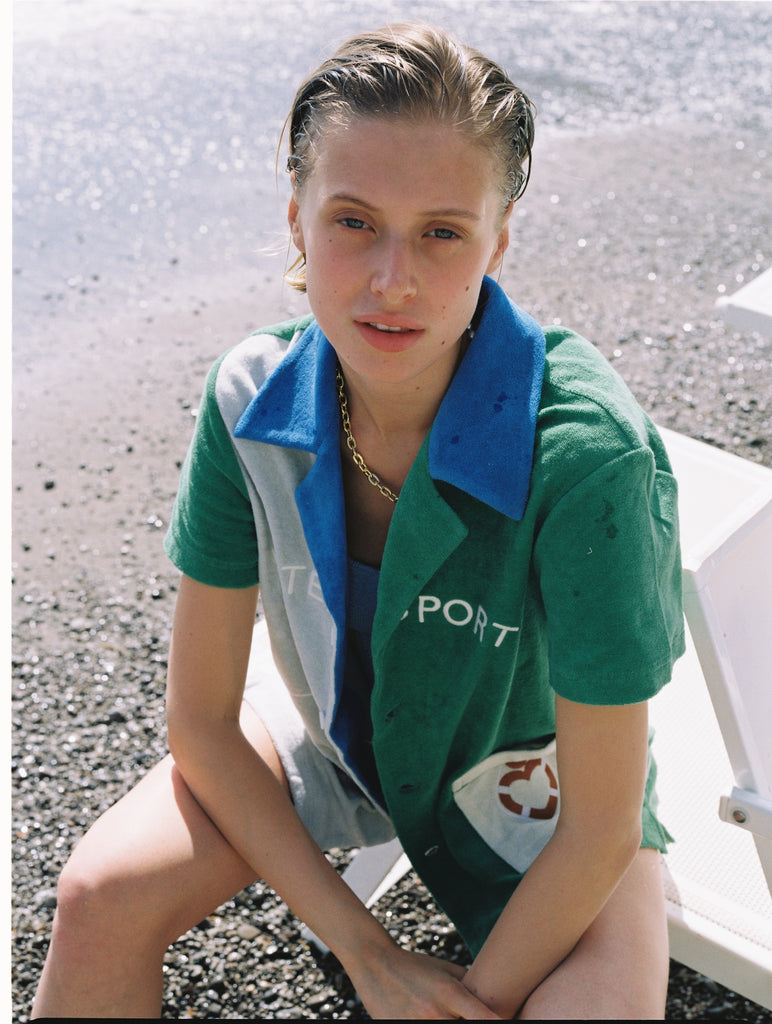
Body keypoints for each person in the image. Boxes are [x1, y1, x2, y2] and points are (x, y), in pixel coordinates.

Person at [32, 22, 685, 1020]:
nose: (393, 279)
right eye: (352, 220)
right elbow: (202, 723)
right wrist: (365, 950)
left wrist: (467, 998)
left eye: (440, 231)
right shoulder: (249, 397)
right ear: (295, 216)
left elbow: (599, 829)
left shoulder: (589, 455)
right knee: (97, 896)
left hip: (535, 784)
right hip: (329, 724)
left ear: (497, 241)